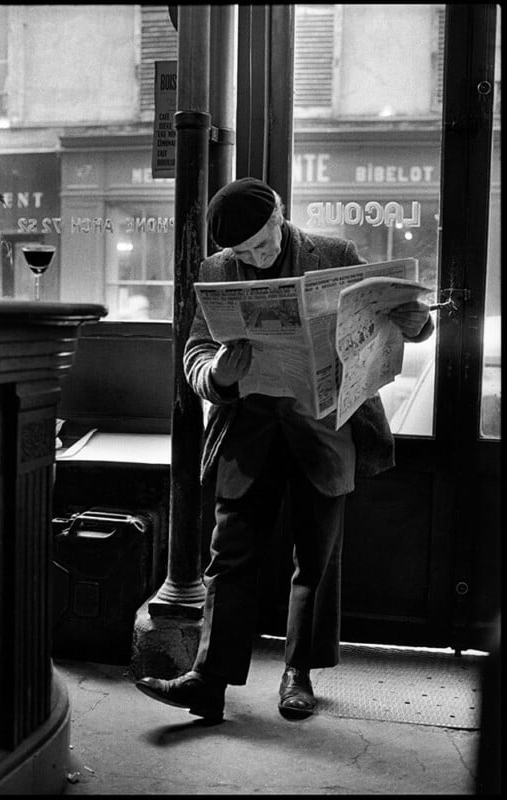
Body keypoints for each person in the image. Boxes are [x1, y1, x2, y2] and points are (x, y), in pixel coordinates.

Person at [136, 177, 434, 723]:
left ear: (279, 212)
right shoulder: (217, 271)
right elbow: (197, 351)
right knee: (229, 557)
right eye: (242, 251)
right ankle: (209, 680)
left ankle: (299, 673)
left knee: (316, 558)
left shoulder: (334, 254)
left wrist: (416, 323)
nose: (255, 255)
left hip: (324, 426)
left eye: (262, 242)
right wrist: (216, 374)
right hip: (248, 428)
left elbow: (393, 320)